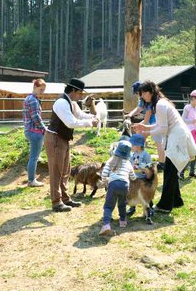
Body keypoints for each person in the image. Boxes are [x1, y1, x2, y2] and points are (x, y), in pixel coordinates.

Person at [132, 81, 196, 213]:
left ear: (149, 92)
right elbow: (160, 125)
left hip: (176, 137)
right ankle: (176, 201)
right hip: (175, 136)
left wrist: (147, 132)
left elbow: (163, 128)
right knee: (171, 170)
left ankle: (165, 205)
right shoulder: (160, 103)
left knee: (169, 170)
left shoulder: (160, 105)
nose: (142, 97)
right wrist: (145, 127)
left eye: (143, 94)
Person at [44, 78, 99, 212]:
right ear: (73, 90)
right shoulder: (62, 102)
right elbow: (71, 122)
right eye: (80, 93)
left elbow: (80, 115)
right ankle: (56, 202)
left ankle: (65, 198)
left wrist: (92, 118)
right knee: (56, 171)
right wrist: (90, 123)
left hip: (63, 138)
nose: (81, 96)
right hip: (55, 138)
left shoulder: (72, 103)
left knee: (65, 171)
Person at [99, 140, 136, 236]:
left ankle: (106, 225)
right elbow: (133, 177)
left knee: (108, 206)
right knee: (122, 204)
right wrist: (132, 178)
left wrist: (105, 182)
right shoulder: (128, 163)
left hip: (113, 184)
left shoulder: (111, 160)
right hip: (124, 185)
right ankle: (122, 221)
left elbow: (104, 174)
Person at [126, 81, 165, 171]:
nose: (139, 95)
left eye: (138, 93)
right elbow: (139, 108)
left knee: (158, 142)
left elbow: (147, 115)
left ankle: (162, 163)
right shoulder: (144, 99)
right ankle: (139, 156)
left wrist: (141, 124)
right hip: (151, 122)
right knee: (140, 136)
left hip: (155, 122)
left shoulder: (151, 101)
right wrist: (130, 115)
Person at [22, 78, 47, 187]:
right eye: (41, 90)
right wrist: (44, 129)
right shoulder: (33, 100)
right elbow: (36, 117)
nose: (42, 92)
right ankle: (31, 180)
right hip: (35, 131)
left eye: (43, 90)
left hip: (29, 130)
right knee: (34, 157)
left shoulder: (29, 98)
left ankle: (31, 179)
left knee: (34, 156)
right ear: (35, 87)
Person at [180, 90, 196, 179]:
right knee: (189, 153)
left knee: (195, 153)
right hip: (190, 133)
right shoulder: (187, 108)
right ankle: (181, 172)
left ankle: (192, 171)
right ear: (193, 98)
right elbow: (183, 119)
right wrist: (194, 121)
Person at [126, 133, 153, 217]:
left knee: (145, 194)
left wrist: (143, 168)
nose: (131, 147)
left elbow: (150, 166)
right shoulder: (132, 154)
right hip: (133, 178)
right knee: (131, 193)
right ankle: (132, 207)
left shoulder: (145, 155)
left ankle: (149, 207)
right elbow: (130, 163)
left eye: (132, 145)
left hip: (142, 179)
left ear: (138, 146)